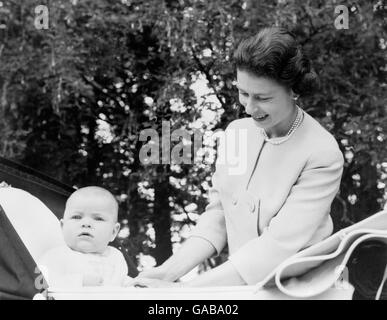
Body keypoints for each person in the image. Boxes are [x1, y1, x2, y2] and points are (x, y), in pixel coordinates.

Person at [132, 26, 345, 288]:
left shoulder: (322, 152)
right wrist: (167, 272)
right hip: (237, 286)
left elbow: (277, 246)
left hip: (299, 290)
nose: (249, 107)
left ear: (294, 90)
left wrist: (185, 292)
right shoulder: (236, 134)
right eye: (243, 93)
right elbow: (219, 216)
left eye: (263, 97)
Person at [38, 186, 131, 287]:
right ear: (63, 227)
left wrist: (133, 284)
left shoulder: (116, 257)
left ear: (113, 232)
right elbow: (39, 284)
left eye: (98, 218)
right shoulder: (55, 256)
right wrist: (79, 281)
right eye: (77, 217)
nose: (86, 223)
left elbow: (121, 282)